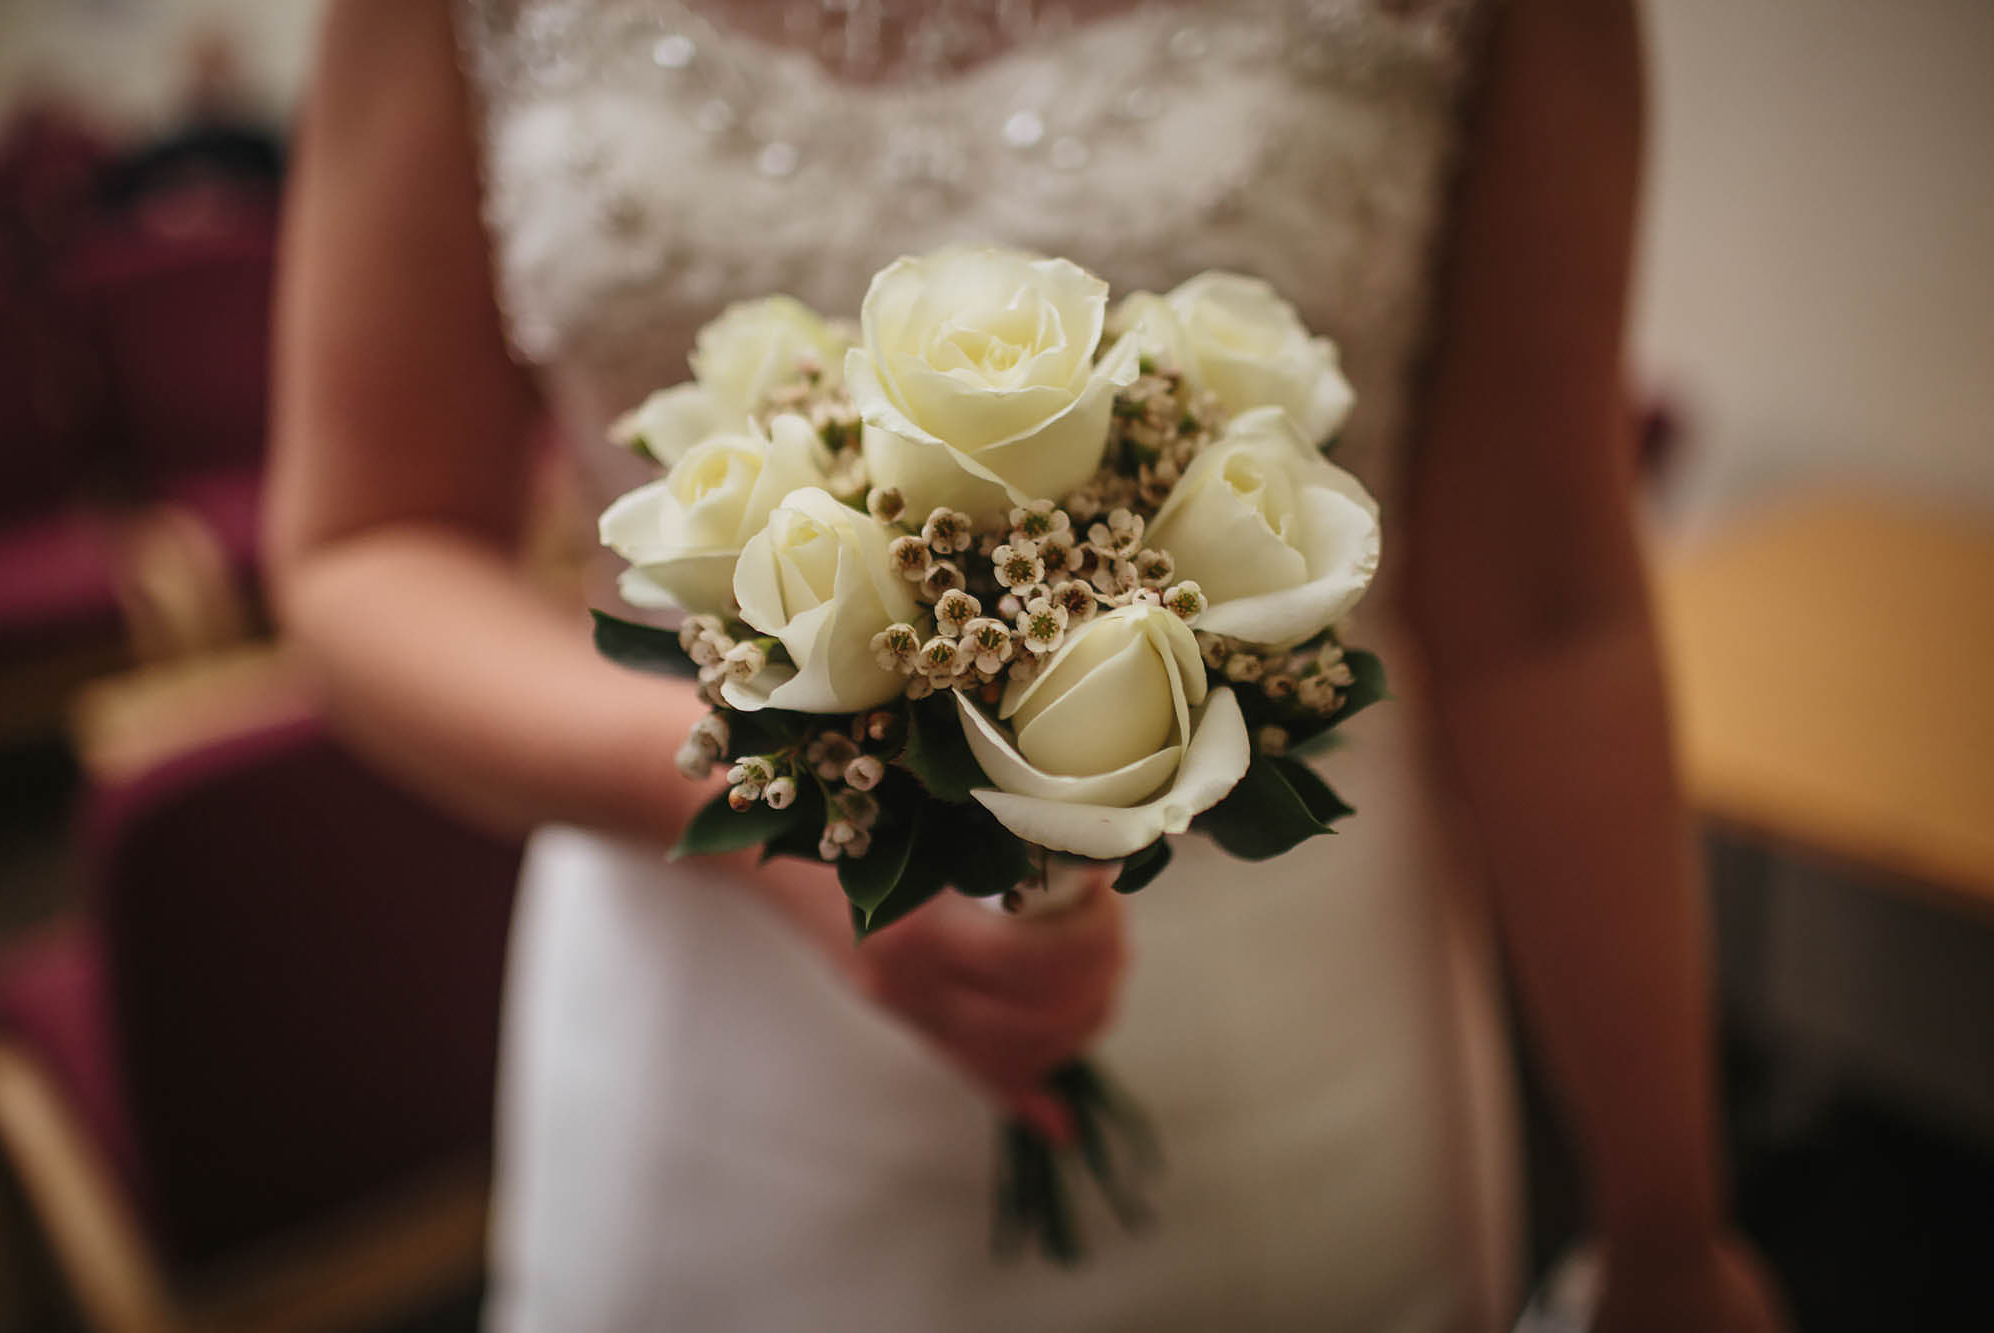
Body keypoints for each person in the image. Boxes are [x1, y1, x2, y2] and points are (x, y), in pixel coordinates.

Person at [267, 1, 1787, 1328]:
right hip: (713, 1066)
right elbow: (360, 543)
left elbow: (1546, 614)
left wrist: (1666, 1231)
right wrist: (758, 798)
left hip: (1282, 1056)